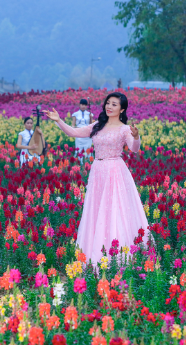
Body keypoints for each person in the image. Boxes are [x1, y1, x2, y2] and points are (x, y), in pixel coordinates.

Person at [45, 92, 149, 265]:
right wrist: (58, 120)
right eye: (108, 103)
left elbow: (134, 148)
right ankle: (97, 250)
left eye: (114, 104)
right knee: (97, 209)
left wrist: (136, 136)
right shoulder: (97, 125)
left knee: (115, 209)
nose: (109, 106)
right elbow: (73, 132)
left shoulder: (124, 129)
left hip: (115, 170)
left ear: (122, 109)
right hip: (98, 171)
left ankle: (118, 254)